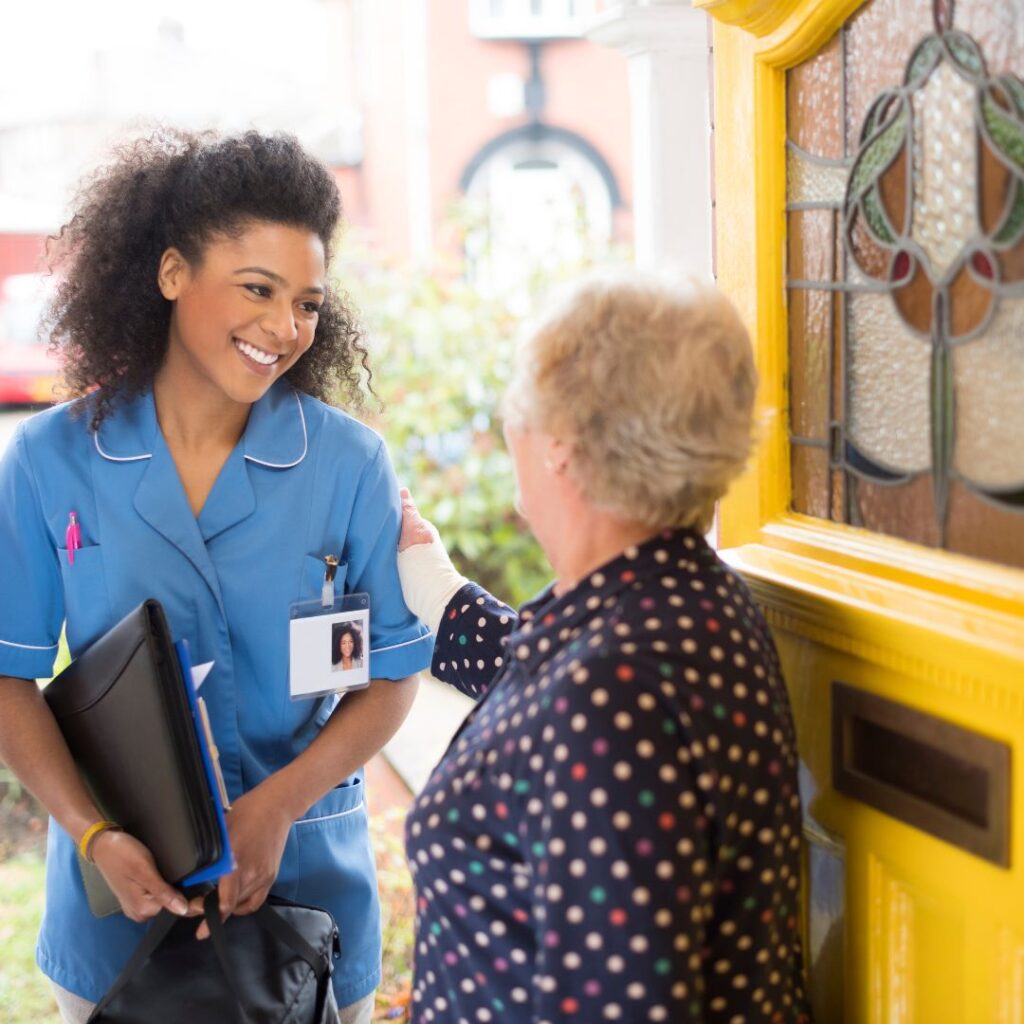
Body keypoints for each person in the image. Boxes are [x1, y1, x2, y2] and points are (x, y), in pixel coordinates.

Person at [0, 129, 432, 1024]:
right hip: (118, 916)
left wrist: (275, 808)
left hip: (309, 909)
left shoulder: (349, 463)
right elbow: (10, 676)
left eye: (308, 302)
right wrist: (95, 834)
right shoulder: (49, 461)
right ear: (169, 275)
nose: (285, 328)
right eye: (257, 289)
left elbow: (393, 678)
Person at [396, 275, 813, 1023]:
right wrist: (436, 593)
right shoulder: (684, 599)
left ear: (559, 443)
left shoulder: (612, 696)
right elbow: (547, 701)